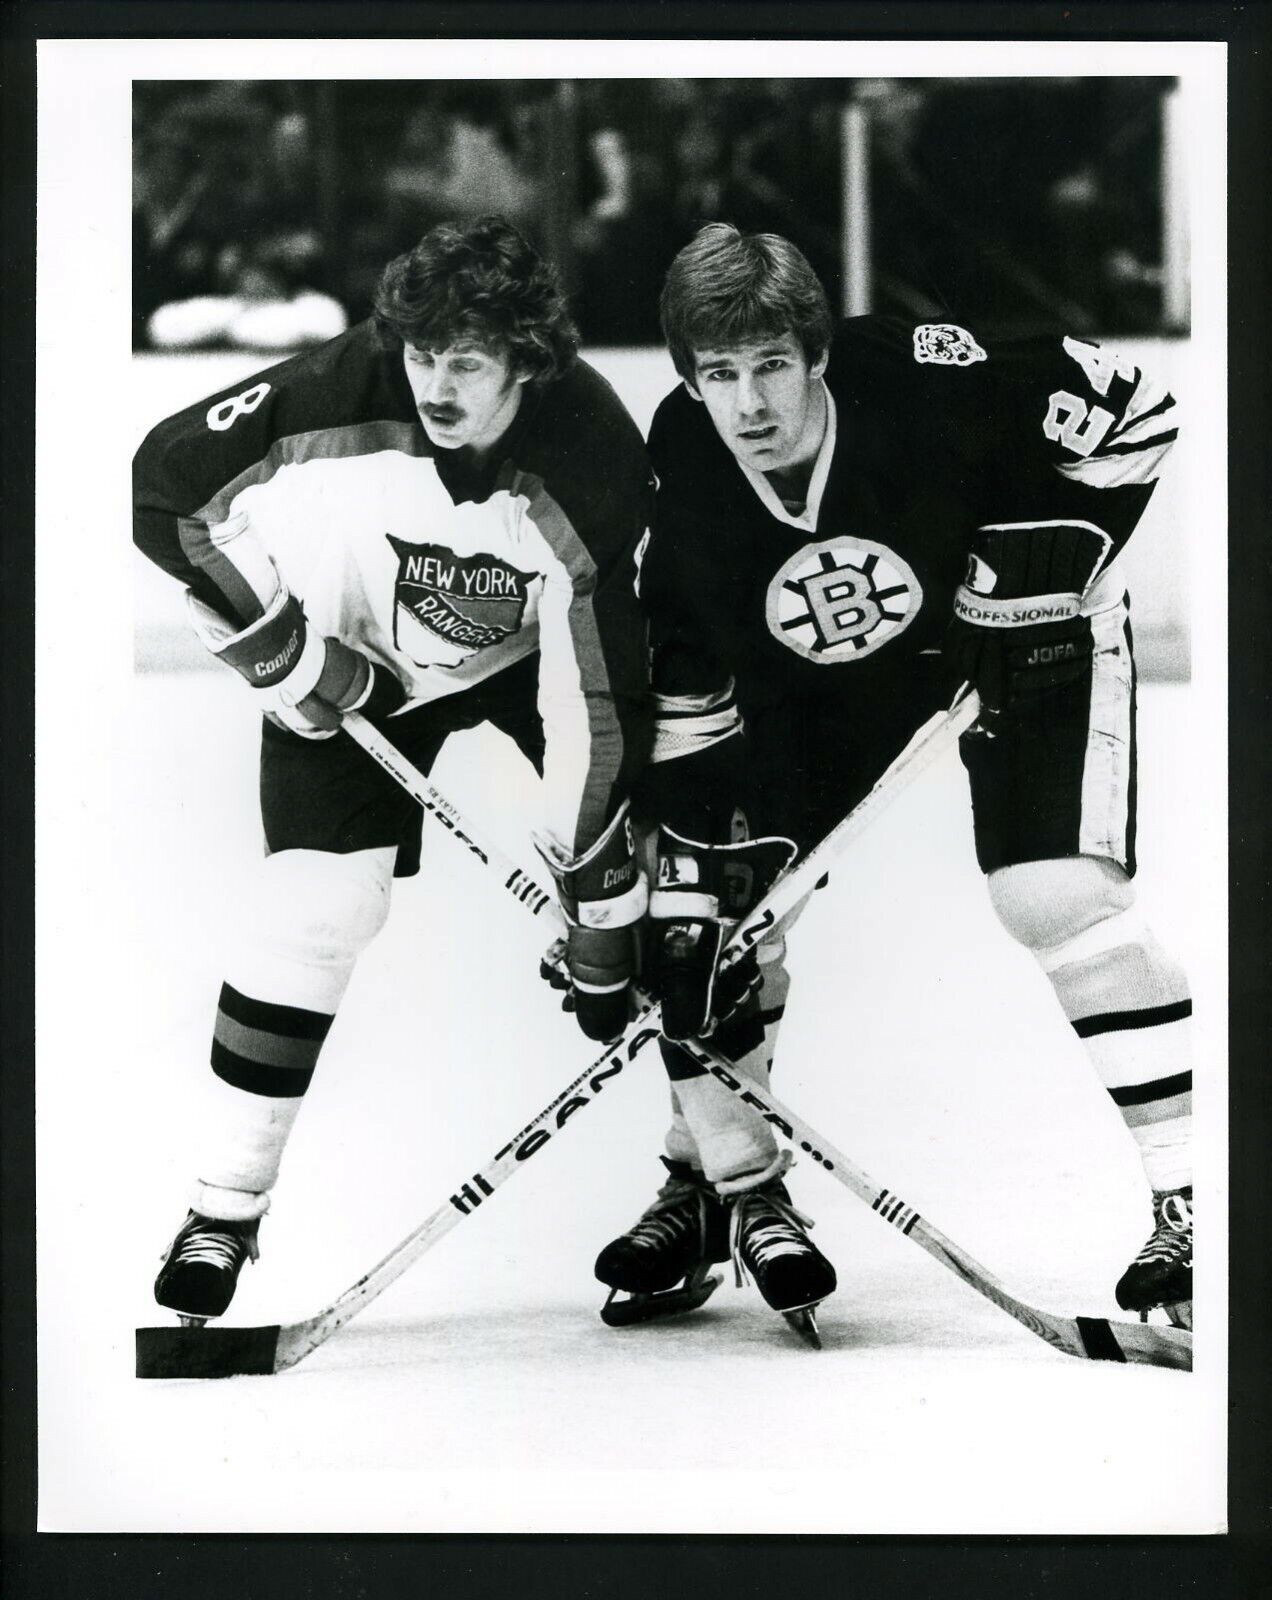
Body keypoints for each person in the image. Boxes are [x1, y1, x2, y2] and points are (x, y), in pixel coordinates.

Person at [595, 223, 1191, 1340]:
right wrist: (681, 892)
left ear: (817, 356)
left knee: (1053, 892)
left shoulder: (927, 374)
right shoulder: (676, 478)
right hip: (827, 689)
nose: (749, 403)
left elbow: (1136, 412)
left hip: (1022, 637)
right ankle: (714, 1179)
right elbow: (687, 693)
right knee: (721, 916)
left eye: (772, 365)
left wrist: (1039, 558)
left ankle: (1196, 1195)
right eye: (718, 374)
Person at [134, 215, 652, 1323]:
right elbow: (163, 488)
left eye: (466, 360)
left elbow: (594, 700)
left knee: (654, 892)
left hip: (528, 664)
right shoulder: (347, 381)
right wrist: (284, 647)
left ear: (528, 357)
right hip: (357, 646)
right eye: (423, 356)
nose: (436, 384)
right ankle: (222, 1206)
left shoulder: (594, 459)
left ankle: (725, 1183)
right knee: (311, 912)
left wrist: (598, 883)